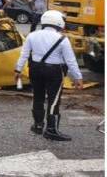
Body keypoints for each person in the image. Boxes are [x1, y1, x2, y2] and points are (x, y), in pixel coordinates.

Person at [14, 10, 83, 141]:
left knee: (37, 97)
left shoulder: (32, 35)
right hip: (54, 71)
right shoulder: (62, 39)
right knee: (54, 100)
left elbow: (24, 55)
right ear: (59, 22)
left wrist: (18, 70)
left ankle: (38, 125)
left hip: (35, 68)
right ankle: (51, 130)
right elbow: (70, 60)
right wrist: (77, 77)